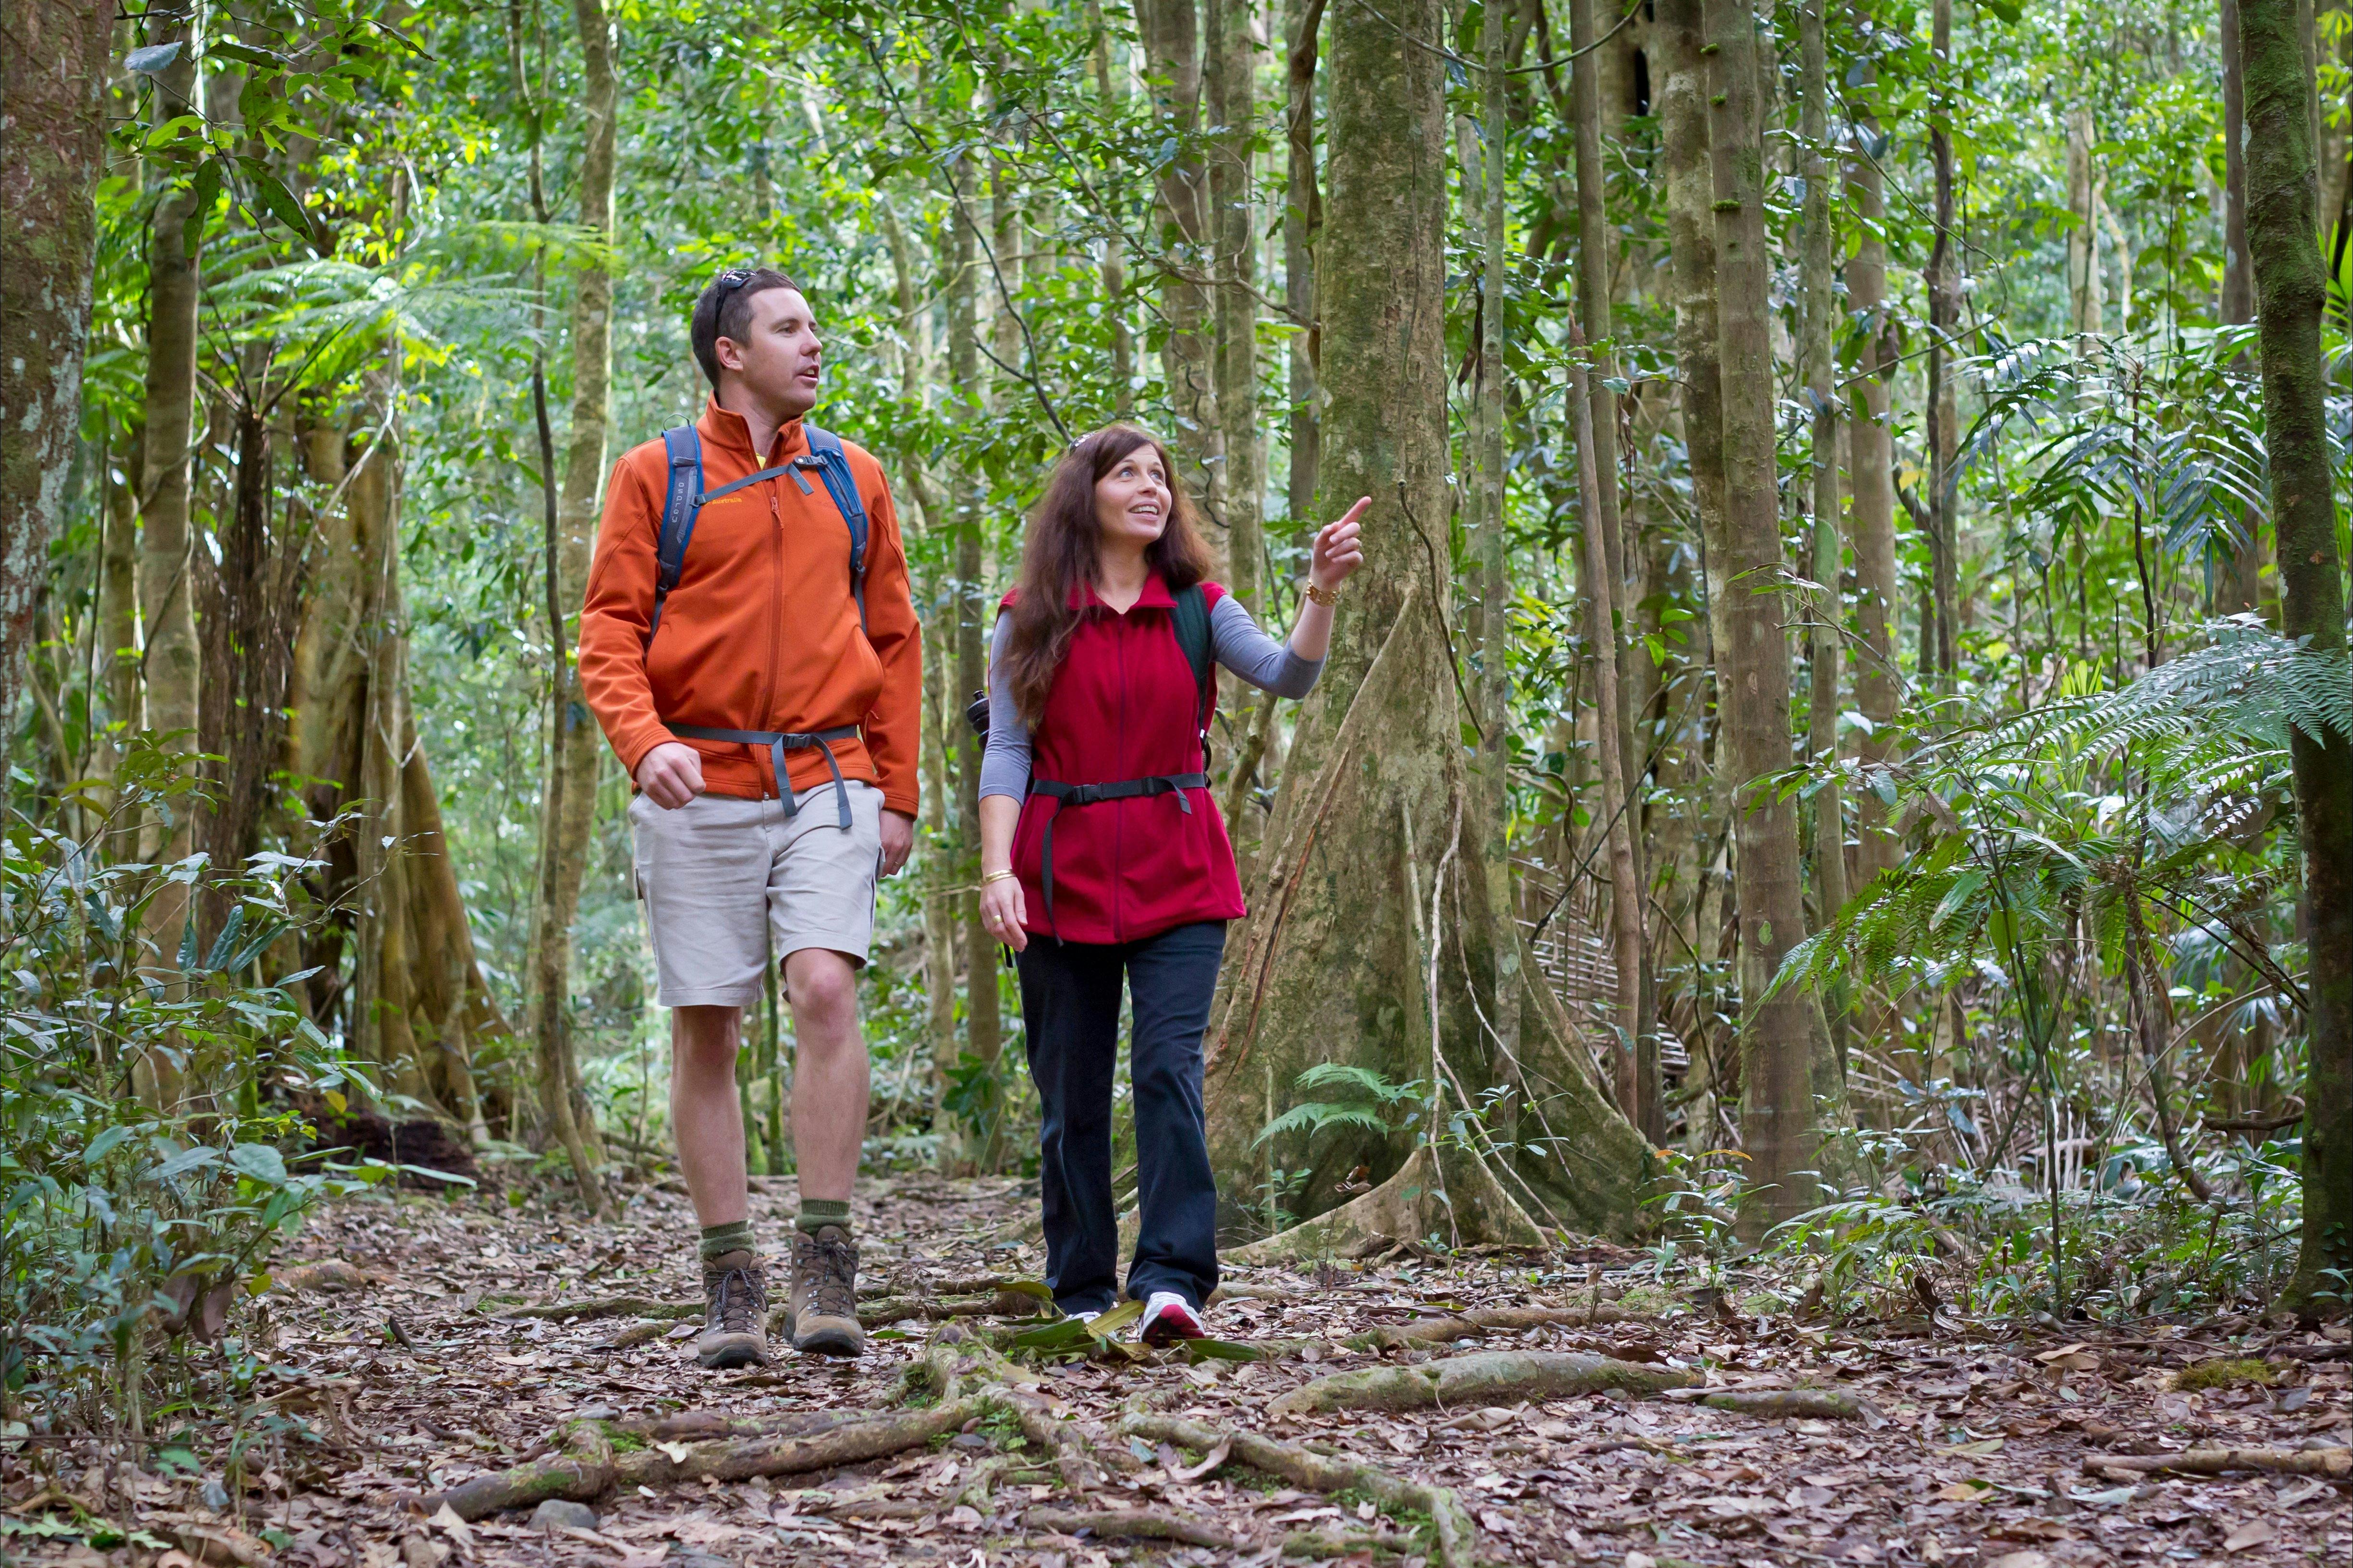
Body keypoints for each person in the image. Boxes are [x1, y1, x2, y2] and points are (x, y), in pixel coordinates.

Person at [577, 267, 920, 1368]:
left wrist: (899, 791)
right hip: (700, 786)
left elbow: (897, 637)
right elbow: (608, 633)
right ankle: (730, 1275)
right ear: (731, 353)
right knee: (708, 1025)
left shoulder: (851, 475)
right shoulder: (656, 477)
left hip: (830, 777)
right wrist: (647, 742)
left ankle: (825, 1261)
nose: (813, 345)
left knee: (823, 985)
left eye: (813, 326)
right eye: (789, 329)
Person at [976, 424, 1367, 1343]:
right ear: (1088, 495)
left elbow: (1288, 676)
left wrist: (1321, 590)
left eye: (1160, 476)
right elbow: (1006, 749)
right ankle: (1079, 1283)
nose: (1150, 489)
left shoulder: (1198, 605)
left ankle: (1173, 1281)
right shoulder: (1029, 612)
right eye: (1127, 475)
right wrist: (998, 873)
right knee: (1070, 1087)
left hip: (1179, 868)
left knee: (1166, 1070)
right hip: (1057, 871)